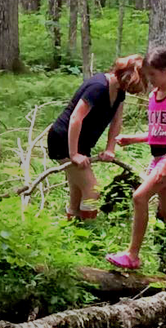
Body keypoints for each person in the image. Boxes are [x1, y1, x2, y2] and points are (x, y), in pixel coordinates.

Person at [105, 48, 166, 278]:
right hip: (158, 156)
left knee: (139, 196)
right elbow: (159, 132)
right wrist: (133, 138)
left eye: (154, 75)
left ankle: (132, 255)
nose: (151, 80)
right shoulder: (153, 96)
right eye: (148, 76)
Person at [47, 55, 147, 219]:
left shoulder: (119, 91)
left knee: (77, 191)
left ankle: (72, 227)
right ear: (128, 77)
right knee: (92, 190)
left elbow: (116, 121)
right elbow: (75, 118)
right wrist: (74, 154)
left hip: (82, 144)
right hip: (63, 141)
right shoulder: (98, 87)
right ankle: (89, 230)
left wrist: (110, 148)